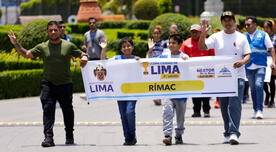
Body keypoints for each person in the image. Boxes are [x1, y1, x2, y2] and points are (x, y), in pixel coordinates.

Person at [8, 21, 88, 147]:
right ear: (47, 32)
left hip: (65, 84)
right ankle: (48, 138)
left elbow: (81, 54)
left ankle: (69, 135)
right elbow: (27, 54)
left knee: (68, 111)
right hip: (48, 84)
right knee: (48, 110)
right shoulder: (42, 47)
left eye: (55, 30)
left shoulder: (68, 45)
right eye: (51, 30)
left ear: (59, 31)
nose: (53, 32)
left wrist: (84, 57)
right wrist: (15, 43)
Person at [199, 11, 251, 145]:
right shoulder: (216, 37)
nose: (227, 23)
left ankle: (234, 132)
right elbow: (202, 47)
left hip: (237, 75)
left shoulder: (241, 37)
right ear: (221, 22)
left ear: (234, 21)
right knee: (224, 107)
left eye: (230, 20)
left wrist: (242, 62)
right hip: (221, 78)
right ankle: (227, 132)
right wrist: (203, 33)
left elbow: (247, 55)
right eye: (225, 20)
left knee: (235, 105)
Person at [101, 37, 139, 146]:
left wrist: (145, 56)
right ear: (121, 49)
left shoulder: (136, 59)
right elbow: (103, 61)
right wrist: (104, 48)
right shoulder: (117, 58)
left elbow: (146, 67)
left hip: (133, 91)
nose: (126, 48)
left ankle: (132, 135)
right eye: (124, 46)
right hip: (119, 91)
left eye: (128, 46)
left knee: (129, 112)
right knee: (123, 115)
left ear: (132, 47)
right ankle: (127, 138)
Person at [159, 34, 189, 146]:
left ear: (180, 44)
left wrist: (187, 62)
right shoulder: (164, 56)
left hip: (181, 91)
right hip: (167, 90)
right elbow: (150, 63)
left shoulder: (185, 57)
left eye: (173, 43)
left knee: (180, 116)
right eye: (169, 43)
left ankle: (179, 135)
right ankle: (167, 135)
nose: (171, 45)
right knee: (167, 112)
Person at [244, 16, 276, 119]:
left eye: (248, 24)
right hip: (248, 66)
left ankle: (259, 110)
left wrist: (274, 62)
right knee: (253, 89)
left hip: (260, 64)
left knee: (258, 86)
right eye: (245, 25)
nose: (246, 26)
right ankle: (255, 109)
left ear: (254, 25)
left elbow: (271, 49)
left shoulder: (263, 35)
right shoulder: (243, 36)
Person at [180, 24, 214, 118]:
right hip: (192, 72)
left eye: (196, 32)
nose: (194, 33)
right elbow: (181, 55)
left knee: (206, 92)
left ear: (200, 32)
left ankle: (206, 111)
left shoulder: (207, 42)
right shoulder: (186, 43)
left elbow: (213, 55)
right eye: (192, 32)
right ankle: (196, 111)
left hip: (206, 71)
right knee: (195, 92)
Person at [146, 25, 167, 105]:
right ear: (152, 34)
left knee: (161, 81)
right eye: (154, 33)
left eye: (158, 33)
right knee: (154, 81)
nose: (156, 35)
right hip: (152, 65)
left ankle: (162, 97)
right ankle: (156, 97)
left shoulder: (164, 43)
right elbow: (147, 54)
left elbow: (166, 53)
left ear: (160, 34)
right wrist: (150, 48)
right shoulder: (149, 42)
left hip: (161, 65)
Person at [263, 20, 276, 108]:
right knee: (263, 81)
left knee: (271, 81)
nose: (265, 29)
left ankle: (272, 100)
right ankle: (267, 94)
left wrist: (274, 62)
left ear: (271, 28)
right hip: (263, 60)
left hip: (272, 60)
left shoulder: (275, 37)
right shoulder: (262, 37)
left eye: (267, 27)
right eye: (264, 27)